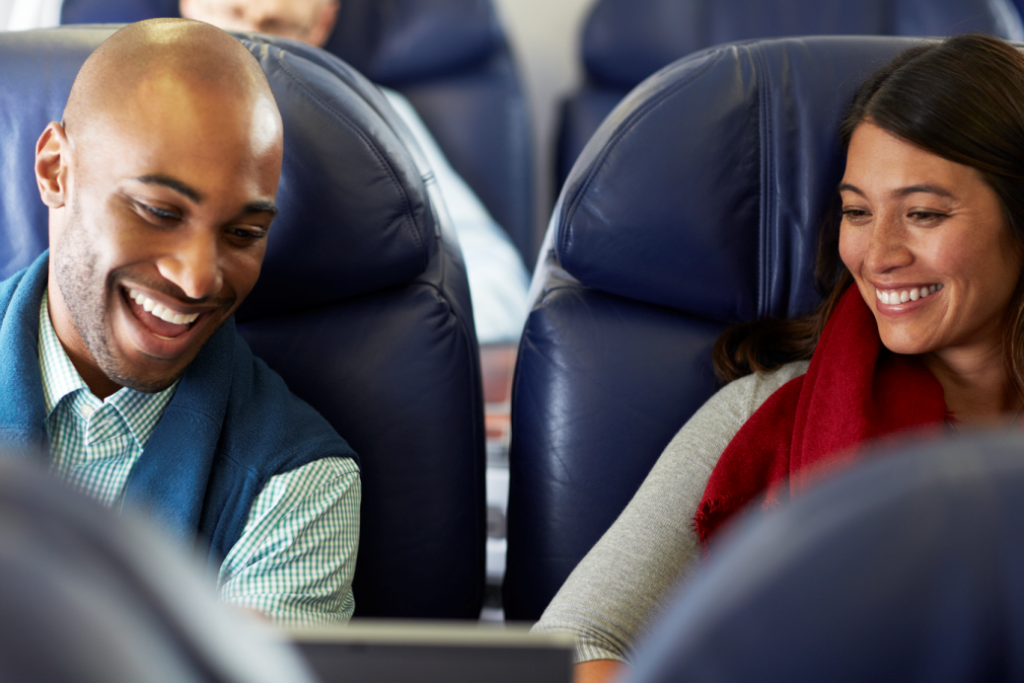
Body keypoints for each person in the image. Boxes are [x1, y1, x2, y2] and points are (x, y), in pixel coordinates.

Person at [533, 33, 1024, 683]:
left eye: (924, 213)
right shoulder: (767, 413)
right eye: (857, 211)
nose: (878, 255)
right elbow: (578, 640)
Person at [0, 18, 360, 626]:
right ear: (56, 170)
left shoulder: (297, 482)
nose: (197, 281)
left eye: (242, 233)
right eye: (159, 212)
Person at [179, 0, 532, 345]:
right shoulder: (148, 100)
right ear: (189, 5)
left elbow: (500, 286)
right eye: (231, 14)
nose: (250, 46)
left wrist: (368, 343)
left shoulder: (375, 116)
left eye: (278, 27)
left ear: (321, 26)